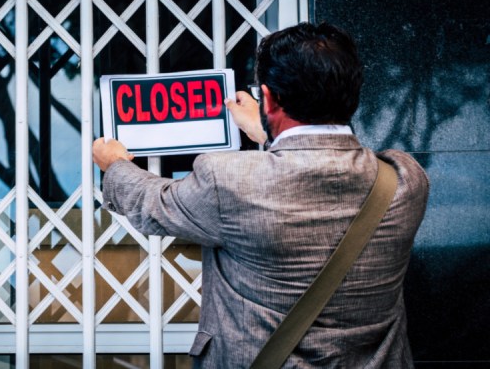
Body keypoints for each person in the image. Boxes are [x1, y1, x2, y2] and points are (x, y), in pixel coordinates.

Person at [92, 22, 429, 368]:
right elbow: (331, 166)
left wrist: (115, 165)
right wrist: (270, 130)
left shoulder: (229, 180)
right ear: (353, 93)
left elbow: (155, 204)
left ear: (269, 98)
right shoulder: (404, 180)